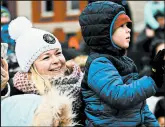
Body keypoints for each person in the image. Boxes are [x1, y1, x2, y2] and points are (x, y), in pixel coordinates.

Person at [79, 1, 164, 126]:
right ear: (104, 33)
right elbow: (120, 96)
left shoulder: (126, 62)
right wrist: (152, 80)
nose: (128, 30)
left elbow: (140, 106)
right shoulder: (99, 64)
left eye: (127, 25)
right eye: (121, 26)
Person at [1, 16, 84, 126]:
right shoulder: (16, 92)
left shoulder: (85, 83)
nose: (56, 60)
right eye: (46, 57)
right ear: (30, 67)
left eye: (58, 53)